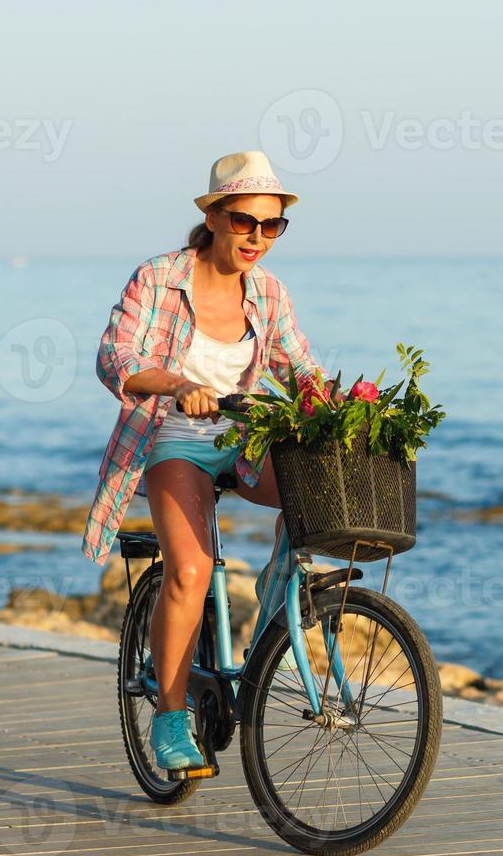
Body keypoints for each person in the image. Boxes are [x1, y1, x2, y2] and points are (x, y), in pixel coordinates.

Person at [80, 150, 327, 772]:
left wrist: (340, 408)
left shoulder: (268, 293)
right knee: (190, 570)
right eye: (246, 222)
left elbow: (298, 366)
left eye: (273, 227)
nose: (259, 238)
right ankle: (168, 713)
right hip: (171, 435)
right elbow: (118, 357)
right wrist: (172, 385)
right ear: (214, 215)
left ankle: (273, 604)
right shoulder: (160, 277)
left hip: (241, 435)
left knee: (314, 500)